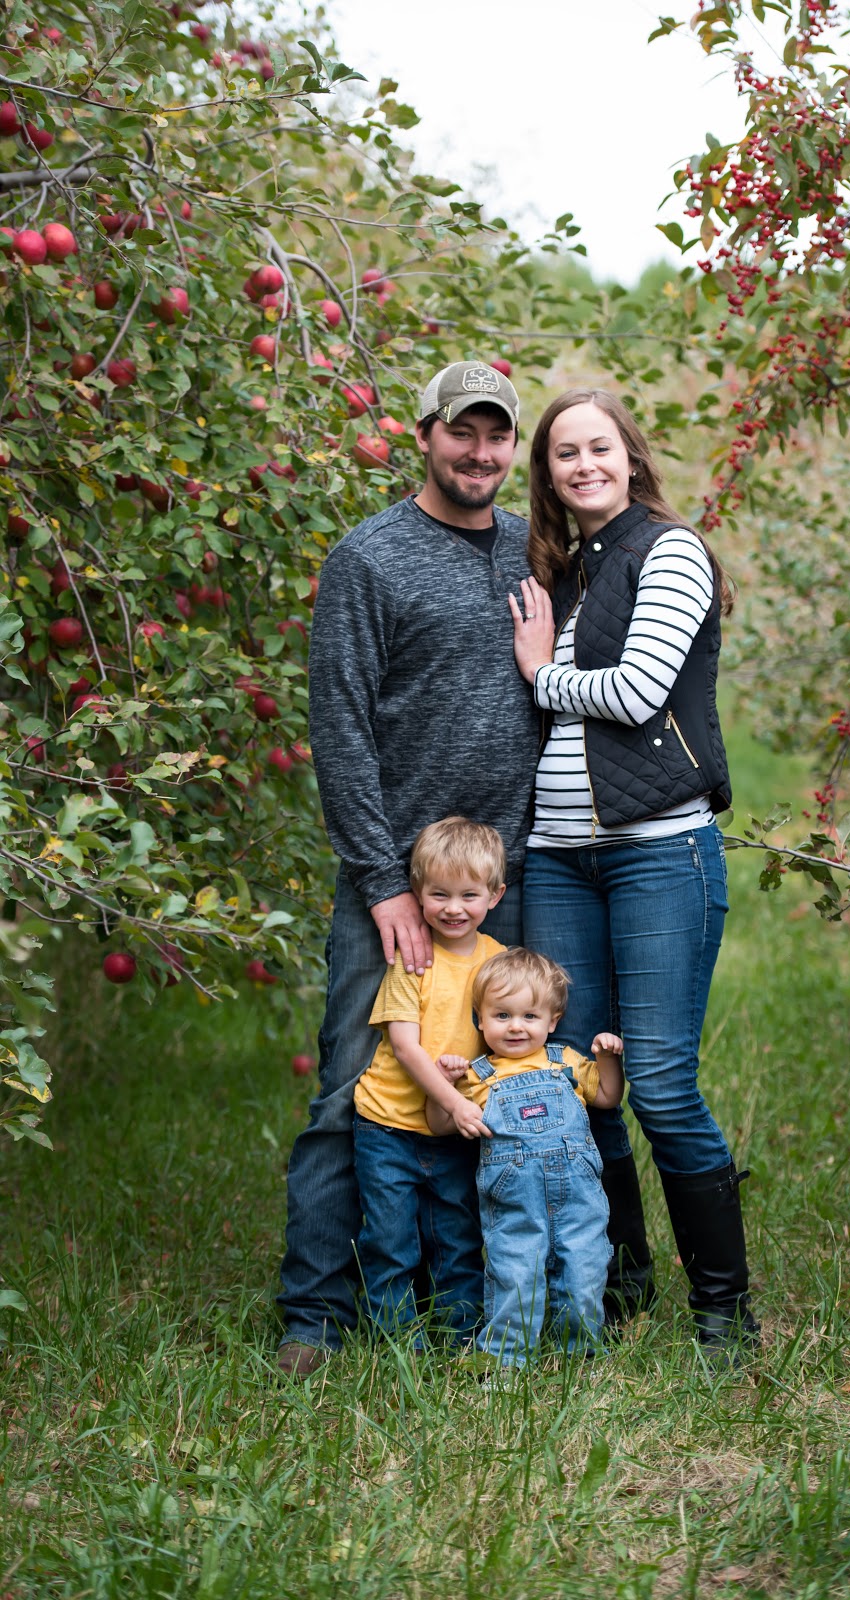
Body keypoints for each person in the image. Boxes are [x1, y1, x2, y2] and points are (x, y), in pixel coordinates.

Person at [276, 360, 540, 1378]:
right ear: (423, 433)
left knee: (492, 1079)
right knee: (355, 1085)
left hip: (502, 886)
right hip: (395, 888)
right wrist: (383, 879)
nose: (480, 453)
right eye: (461, 432)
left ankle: (461, 1298)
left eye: (497, 436)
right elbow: (338, 726)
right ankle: (314, 1312)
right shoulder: (370, 558)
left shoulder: (529, 547)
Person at [509, 387, 761, 1360]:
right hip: (560, 861)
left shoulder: (670, 550)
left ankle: (724, 1313)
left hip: (659, 853)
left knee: (656, 1083)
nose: (582, 464)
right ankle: (621, 1280)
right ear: (550, 474)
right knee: (582, 1081)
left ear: (629, 455)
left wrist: (540, 673)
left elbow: (636, 691)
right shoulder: (567, 572)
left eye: (597, 447)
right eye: (564, 453)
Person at [426, 948, 623, 1368]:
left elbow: (607, 1096)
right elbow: (442, 1125)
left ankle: (582, 1354)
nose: (516, 1027)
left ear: (553, 1021)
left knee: (584, 1270)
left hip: (579, 1198)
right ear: (480, 1019)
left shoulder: (567, 1063)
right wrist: (441, 1086)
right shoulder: (479, 1076)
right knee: (514, 1272)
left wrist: (607, 1058)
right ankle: (506, 1359)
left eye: (530, 1017)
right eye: (502, 1016)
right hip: (514, 1201)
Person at [354, 818, 509, 1346]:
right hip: (388, 1126)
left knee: (457, 1239)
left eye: (469, 894)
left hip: (451, 1132)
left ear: (496, 894)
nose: (453, 907)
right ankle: (398, 1345)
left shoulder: (498, 962)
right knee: (390, 1242)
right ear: (417, 893)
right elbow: (404, 1046)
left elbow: (507, 1040)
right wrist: (454, 1100)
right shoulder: (412, 960)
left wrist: (470, 1086)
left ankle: (461, 1337)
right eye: (438, 894)